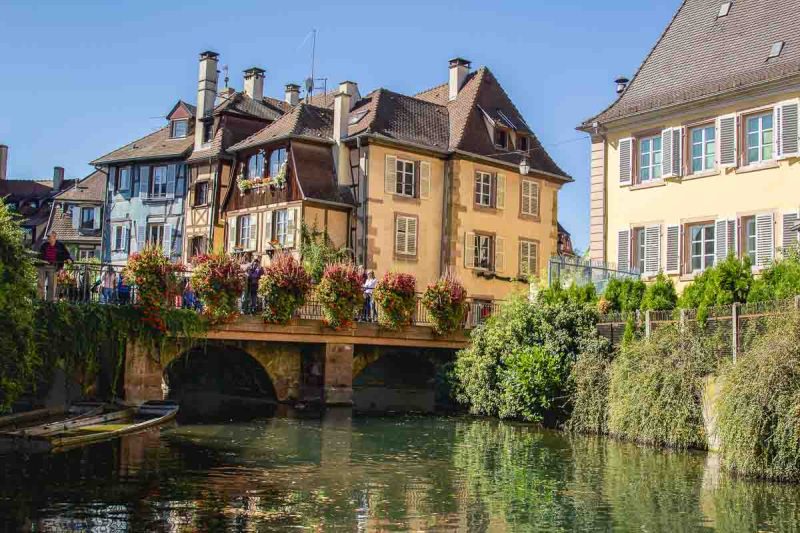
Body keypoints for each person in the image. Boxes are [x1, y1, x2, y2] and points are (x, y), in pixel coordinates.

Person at [38, 231, 72, 300]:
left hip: (53, 267)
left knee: (52, 286)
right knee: (40, 284)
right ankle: (40, 300)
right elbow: (39, 255)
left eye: (49, 237)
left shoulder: (60, 245)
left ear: (54, 237)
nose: (48, 239)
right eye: (48, 237)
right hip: (43, 266)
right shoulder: (44, 245)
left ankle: (50, 302)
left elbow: (66, 254)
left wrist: (69, 259)